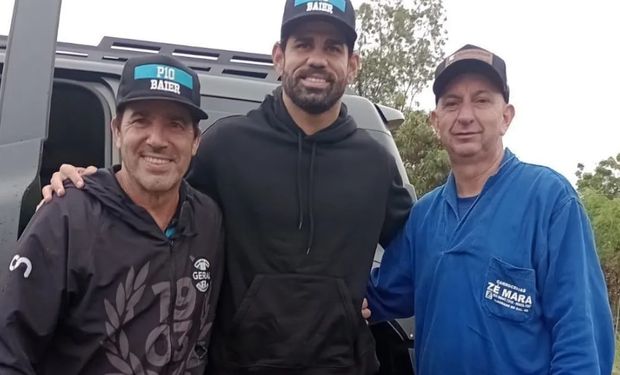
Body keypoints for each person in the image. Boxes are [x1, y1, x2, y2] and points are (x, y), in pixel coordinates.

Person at [39, 1, 413, 374]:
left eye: (333, 47)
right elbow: (151, 201)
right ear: (279, 57)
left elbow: (418, 248)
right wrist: (89, 188)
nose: (317, 58)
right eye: (303, 44)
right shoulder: (226, 146)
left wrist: (372, 300)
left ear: (352, 64)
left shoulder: (374, 163)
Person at [366, 44, 615, 374]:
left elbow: (581, 342)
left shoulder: (550, 201)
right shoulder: (424, 218)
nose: (465, 115)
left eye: (481, 100)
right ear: (435, 120)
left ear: (506, 117)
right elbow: (375, 296)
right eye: (452, 103)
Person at [0, 54, 225, 374]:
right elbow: (9, 351)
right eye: (141, 120)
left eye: (175, 124)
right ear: (118, 130)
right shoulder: (66, 219)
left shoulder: (208, 221)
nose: (157, 140)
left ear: (195, 141)